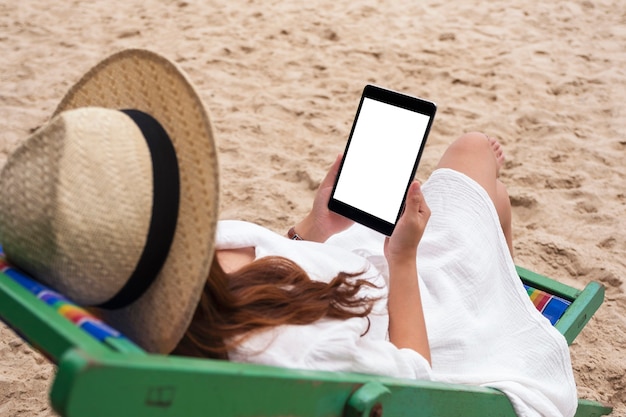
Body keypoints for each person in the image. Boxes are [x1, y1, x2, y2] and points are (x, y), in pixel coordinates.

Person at [0, 49, 576, 417]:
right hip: (419, 310)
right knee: (474, 152)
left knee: (475, 188)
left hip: (343, 270)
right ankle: (503, 291)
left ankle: (494, 263)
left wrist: (312, 228)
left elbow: (254, 288)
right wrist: (401, 258)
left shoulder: (123, 275)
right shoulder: (290, 357)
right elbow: (414, 382)